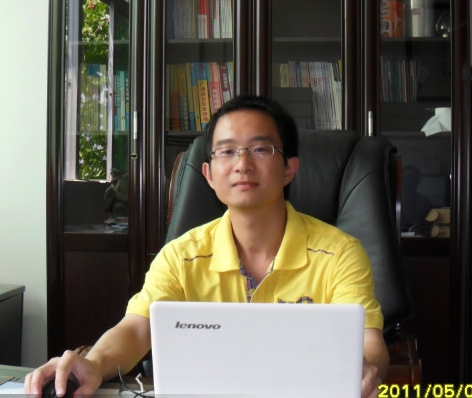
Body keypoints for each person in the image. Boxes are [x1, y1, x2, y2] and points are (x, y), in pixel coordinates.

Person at [25, 95, 389, 398]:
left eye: (260, 149)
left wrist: (365, 369)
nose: (242, 164)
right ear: (209, 175)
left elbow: (369, 343)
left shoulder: (340, 253)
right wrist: (94, 362)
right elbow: (137, 328)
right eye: (226, 151)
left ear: (289, 168)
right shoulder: (181, 256)